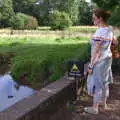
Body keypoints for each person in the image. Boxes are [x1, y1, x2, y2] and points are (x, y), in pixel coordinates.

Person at [84, 9, 114, 114]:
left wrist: (91, 66)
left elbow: (96, 52)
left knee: (97, 84)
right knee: (105, 82)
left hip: (99, 62)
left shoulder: (100, 32)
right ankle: (104, 105)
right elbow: (114, 43)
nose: (93, 20)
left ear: (100, 19)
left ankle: (95, 108)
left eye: (94, 18)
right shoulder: (109, 29)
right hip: (107, 59)